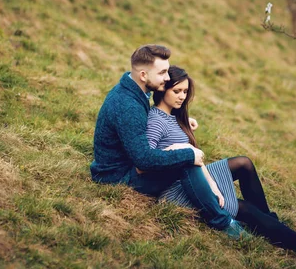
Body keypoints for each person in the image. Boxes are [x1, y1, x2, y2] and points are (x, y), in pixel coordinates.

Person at [145, 65, 296, 257]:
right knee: (243, 208)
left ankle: (270, 223)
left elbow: (188, 152)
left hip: (193, 177)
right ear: (163, 90)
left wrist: (186, 126)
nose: (182, 96)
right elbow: (149, 158)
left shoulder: (172, 116)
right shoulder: (156, 120)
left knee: (243, 163)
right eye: (177, 91)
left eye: (185, 91)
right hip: (176, 190)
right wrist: (177, 148)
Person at [90, 44, 248, 239]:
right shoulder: (128, 105)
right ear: (143, 75)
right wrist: (187, 153)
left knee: (182, 155)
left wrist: (179, 124)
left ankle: (220, 205)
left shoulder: (131, 88)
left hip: (121, 165)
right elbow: (143, 160)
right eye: (163, 72)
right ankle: (223, 223)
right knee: (186, 161)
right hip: (118, 177)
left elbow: (138, 123)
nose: (167, 77)